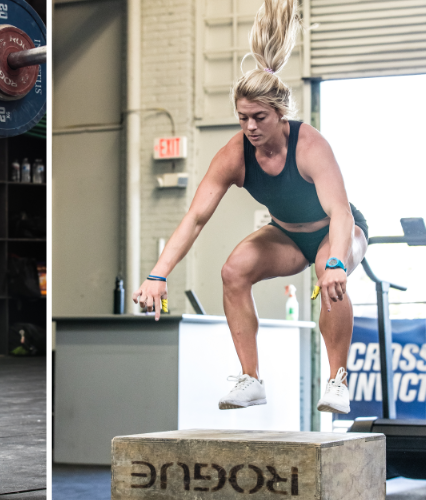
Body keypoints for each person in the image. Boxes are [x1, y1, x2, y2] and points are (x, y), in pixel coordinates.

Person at [132, 0, 367, 415]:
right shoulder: (235, 154)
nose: (251, 127)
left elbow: (341, 213)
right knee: (233, 270)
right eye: (242, 118)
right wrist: (158, 274)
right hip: (287, 233)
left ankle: (337, 380)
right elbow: (196, 217)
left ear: (280, 114)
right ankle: (251, 380)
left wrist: (335, 264)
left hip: (338, 228)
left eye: (259, 117)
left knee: (328, 274)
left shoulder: (310, 145)